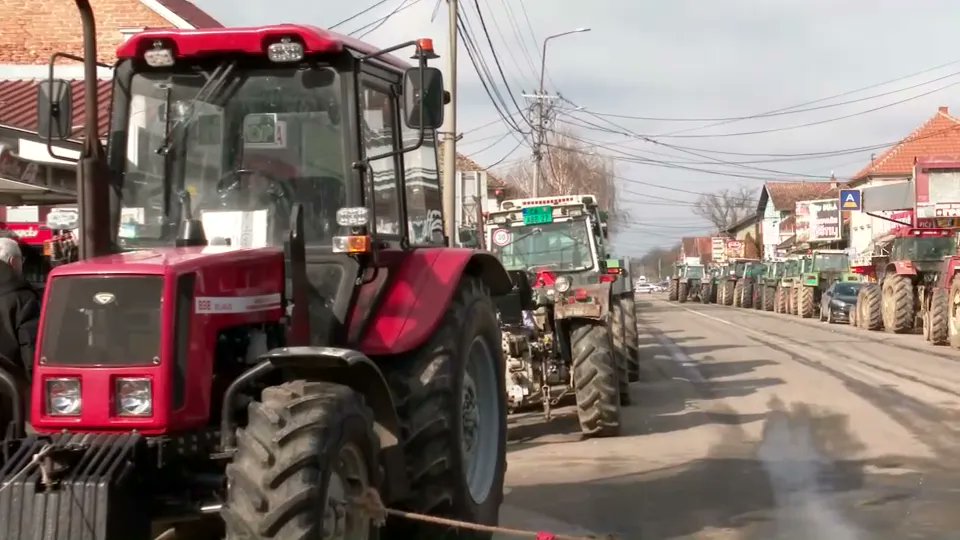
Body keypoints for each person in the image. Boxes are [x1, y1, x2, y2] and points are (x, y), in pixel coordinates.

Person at [0, 237, 41, 380]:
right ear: (13, 261)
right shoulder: (23, 298)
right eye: (21, 260)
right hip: (10, 384)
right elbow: (30, 347)